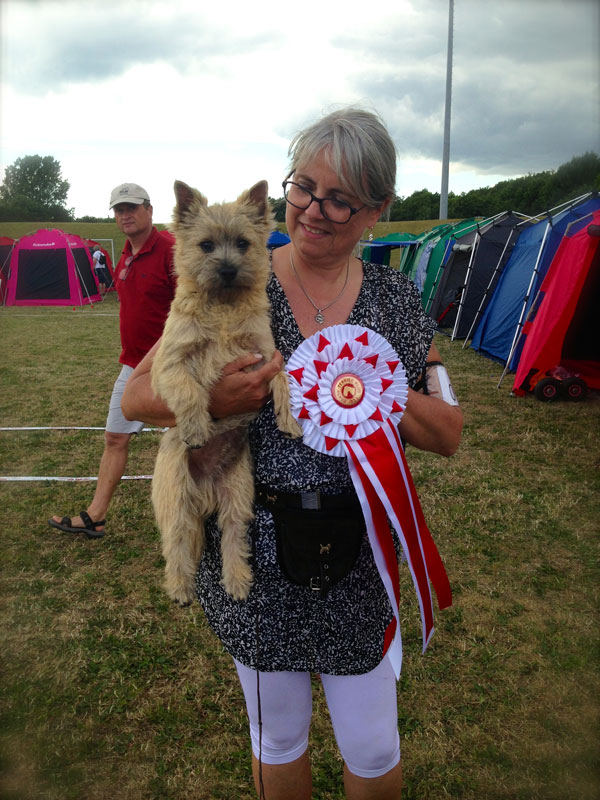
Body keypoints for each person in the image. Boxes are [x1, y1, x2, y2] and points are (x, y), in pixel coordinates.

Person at [121, 108, 463, 799]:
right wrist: (214, 402)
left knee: (371, 746)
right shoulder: (237, 281)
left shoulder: (395, 300)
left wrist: (365, 389)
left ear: (376, 211)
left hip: (357, 553)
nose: (317, 209)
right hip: (261, 544)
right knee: (277, 737)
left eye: (342, 197)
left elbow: (447, 430)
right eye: (305, 186)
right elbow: (135, 396)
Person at [49, 183, 176, 538]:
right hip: (133, 365)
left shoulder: (170, 250)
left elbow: (191, 310)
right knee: (115, 438)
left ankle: (199, 521)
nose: (125, 215)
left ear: (149, 210)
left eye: (132, 208)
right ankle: (96, 516)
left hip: (172, 368)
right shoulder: (126, 254)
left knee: (188, 443)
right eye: (119, 209)